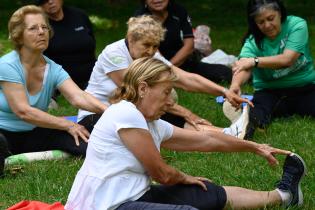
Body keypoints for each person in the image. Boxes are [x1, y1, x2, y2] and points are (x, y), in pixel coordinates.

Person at [65, 57, 306, 210]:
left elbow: (207, 139)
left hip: (133, 196)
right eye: (166, 92)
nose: (170, 101)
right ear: (142, 88)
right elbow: (162, 173)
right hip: (105, 205)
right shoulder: (125, 113)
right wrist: (185, 177)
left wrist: (255, 147)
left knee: (207, 193)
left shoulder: (152, 123)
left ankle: (284, 196)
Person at [78, 15, 252, 137]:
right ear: (130, 39)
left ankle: (228, 133)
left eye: (155, 46)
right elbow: (135, 94)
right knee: (156, 109)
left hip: (130, 111)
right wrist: (186, 113)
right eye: (146, 45)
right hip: (96, 116)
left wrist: (224, 91)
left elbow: (185, 78)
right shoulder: (113, 53)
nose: (151, 51)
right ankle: (225, 133)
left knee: (159, 111)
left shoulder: (150, 53)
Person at [0, 5, 107, 177]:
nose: (42, 32)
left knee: (89, 140)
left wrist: (109, 111)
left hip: (36, 132)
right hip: (4, 133)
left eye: (44, 27)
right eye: (33, 28)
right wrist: (68, 124)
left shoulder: (53, 68)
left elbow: (78, 96)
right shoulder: (7, 65)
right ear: (18, 36)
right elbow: (23, 111)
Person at [229, 0, 315, 139]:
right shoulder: (252, 41)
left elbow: (288, 59)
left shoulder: (297, 25)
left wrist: (254, 61)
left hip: (305, 88)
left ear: (280, 13)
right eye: (261, 22)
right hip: (270, 93)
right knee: (257, 114)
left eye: (270, 18)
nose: (267, 25)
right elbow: (242, 66)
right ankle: (243, 130)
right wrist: (235, 85)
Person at [134, 0, 232, 83]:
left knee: (225, 73)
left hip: (180, 62)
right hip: (153, 67)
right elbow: (152, 52)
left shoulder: (179, 11)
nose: (157, 0)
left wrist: (170, 67)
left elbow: (189, 45)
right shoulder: (140, 17)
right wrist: (165, 70)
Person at [36, 0, 96, 90]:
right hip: (60, 80)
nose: (50, 2)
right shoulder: (39, 26)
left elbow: (92, 41)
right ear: (39, 4)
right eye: (45, 0)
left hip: (93, 74)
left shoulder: (79, 15)